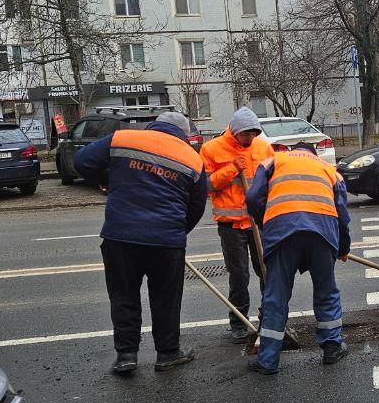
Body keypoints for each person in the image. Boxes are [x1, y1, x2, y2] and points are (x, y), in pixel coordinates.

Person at [74, 111, 206, 375]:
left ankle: (126, 355)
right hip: (167, 242)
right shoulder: (193, 159)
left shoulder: (123, 138)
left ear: (154, 125)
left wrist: (109, 179)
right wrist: (177, 232)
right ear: (184, 134)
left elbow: (81, 162)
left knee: (123, 296)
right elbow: (197, 206)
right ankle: (168, 353)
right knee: (166, 299)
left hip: (121, 236)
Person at [244, 142, 352, 374]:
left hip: (282, 231)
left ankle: (268, 361)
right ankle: (332, 348)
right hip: (322, 231)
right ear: (314, 153)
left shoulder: (273, 161)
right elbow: (342, 214)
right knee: (326, 290)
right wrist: (343, 247)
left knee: (276, 296)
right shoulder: (329, 169)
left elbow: (252, 199)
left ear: (292, 151)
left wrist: (268, 223)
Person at [199, 107, 274, 342]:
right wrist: (232, 168)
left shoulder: (263, 147)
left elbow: (274, 179)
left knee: (267, 271)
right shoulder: (211, 149)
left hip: (258, 222)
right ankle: (238, 322)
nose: (250, 138)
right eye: (245, 134)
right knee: (239, 276)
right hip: (231, 225)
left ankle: (269, 317)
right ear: (234, 131)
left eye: (253, 134)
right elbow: (206, 186)